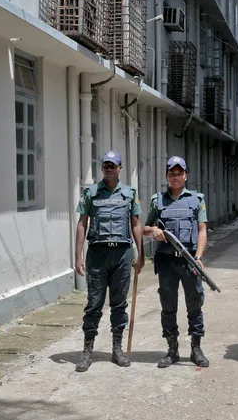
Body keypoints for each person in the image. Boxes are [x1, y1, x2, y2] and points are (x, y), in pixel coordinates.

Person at [74, 150, 144, 373]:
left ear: (120, 168)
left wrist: (140, 254)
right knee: (94, 304)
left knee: (119, 304)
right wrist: (77, 255)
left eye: (113, 165)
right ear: (102, 168)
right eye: (106, 165)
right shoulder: (91, 193)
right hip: (97, 254)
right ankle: (87, 352)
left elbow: (135, 224)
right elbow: (82, 223)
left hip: (122, 254)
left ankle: (117, 349)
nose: (109, 169)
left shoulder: (130, 193)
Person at [143, 156, 210, 368]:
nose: (176, 176)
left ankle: (196, 348)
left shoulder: (197, 199)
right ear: (166, 176)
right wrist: (153, 231)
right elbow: (143, 228)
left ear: (185, 175)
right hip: (166, 262)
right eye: (172, 173)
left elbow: (202, 230)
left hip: (189, 260)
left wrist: (199, 257)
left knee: (194, 304)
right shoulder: (157, 201)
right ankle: (172, 350)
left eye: (179, 173)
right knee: (168, 305)